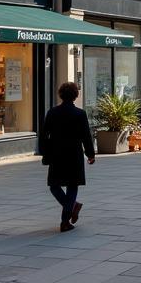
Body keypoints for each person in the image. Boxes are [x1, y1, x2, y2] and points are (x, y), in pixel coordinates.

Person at [40, 81, 95, 232]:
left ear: (61, 95)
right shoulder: (80, 114)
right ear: (76, 96)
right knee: (72, 185)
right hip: (74, 154)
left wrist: (44, 153)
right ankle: (67, 217)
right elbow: (86, 136)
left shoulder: (52, 112)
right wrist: (90, 154)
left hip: (56, 154)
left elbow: (44, 135)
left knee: (54, 185)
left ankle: (71, 209)